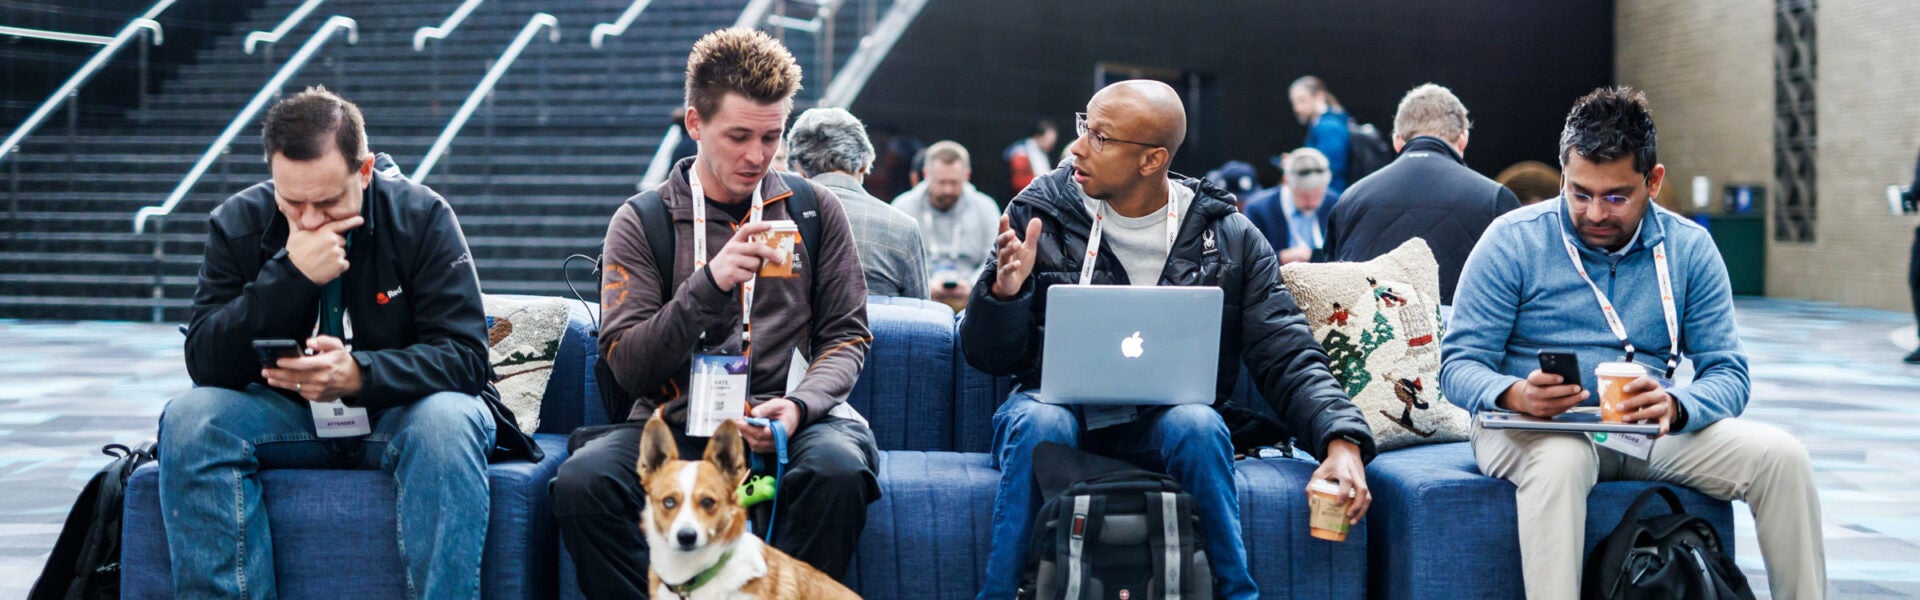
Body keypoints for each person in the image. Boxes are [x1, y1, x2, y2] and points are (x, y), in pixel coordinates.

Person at [961, 79, 1377, 600]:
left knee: (1199, 423)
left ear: (1152, 160)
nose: (1078, 146)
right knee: (1042, 418)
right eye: (1083, 127)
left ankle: (1236, 594)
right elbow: (983, 354)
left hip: (1159, 427)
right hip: (1056, 412)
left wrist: (1341, 439)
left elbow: (1286, 350)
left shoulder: (1228, 236)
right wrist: (1003, 295)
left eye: (1101, 137)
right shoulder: (1037, 214)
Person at [1441, 86, 1825, 600]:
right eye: (1579, 193)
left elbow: (1729, 373)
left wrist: (1676, 404)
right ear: (1563, 176)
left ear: (1654, 181)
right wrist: (1515, 394)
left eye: (1617, 196)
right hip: (1531, 428)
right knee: (1562, 460)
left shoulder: (1689, 249)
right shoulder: (1512, 240)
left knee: (1784, 458)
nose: (1596, 212)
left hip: (1641, 431)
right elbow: (1458, 365)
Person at [155, 86, 539, 599]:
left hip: (402, 414)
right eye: (292, 202)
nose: (310, 221)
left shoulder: (423, 217)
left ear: (365, 170)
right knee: (191, 419)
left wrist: (360, 374)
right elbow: (205, 362)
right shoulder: (237, 224)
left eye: (329, 201)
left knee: (448, 422)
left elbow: (466, 358)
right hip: (286, 419)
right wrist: (290, 275)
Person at [551, 28, 880, 598]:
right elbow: (629, 365)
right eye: (739, 136)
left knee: (839, 472)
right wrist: (710, 283)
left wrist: (799, 407)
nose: (757, 156)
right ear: (695, 125)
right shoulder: (643, 220)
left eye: (772, 137)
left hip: (787, 422)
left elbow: (848, 337)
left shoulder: (814, 211)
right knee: (583, 484)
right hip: (676, 420)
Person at [1324, 83, 1519, 305]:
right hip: (1463, 338)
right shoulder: (1496, 198)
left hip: (1376, 336)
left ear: (1398, 140)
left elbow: (1332, 285)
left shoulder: (1350, 199)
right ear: (1463, 138)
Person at [788, 106, 930, 298]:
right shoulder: (904, 227)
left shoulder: (774, 220)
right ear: (864, 165)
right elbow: (921, 316)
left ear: (800, 169)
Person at [893, 140, 1001, 309]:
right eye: (942, 182)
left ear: (967, 175)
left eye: (954, 183)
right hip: (919, 298)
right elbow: (895, 262)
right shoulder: (903, 207)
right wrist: (924, 286)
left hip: (973, 297)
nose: (948, 190)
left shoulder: (985, 207)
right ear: (926, 174)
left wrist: (974, 284)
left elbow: (995, 257)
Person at [1243, 148, 1338, 264]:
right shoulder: (1259, 209)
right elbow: (1248, 258)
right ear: (1286, 183)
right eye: (1304, 197)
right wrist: (1279, 257)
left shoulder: (1335, 203)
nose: (1311, 203)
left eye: (1318, 196)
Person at [1289, 75, 1353, 195]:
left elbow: (1331, 169)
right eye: (1294, 102)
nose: (1297, 108)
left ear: (1319, 95)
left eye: (1302, 100)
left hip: (1331, 196)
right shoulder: (1320, 124)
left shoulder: (1329, 127)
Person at [1004, 119, 1058, 192]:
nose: (1051, 146)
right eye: (1048, 141)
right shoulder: (1020, 153)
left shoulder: (1042, 152)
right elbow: (1019, 182)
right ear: (1038, 137)